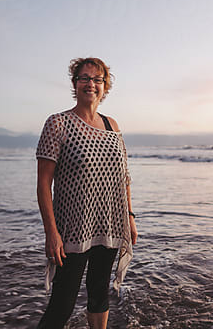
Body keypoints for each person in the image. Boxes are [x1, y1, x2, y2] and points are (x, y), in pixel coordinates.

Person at [36, 57, 137, 329]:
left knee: (99, 292)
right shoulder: (58, 123)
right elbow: (44, 183)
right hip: (73, 228)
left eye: (97, 79)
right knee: (62, 304)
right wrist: (51, 232)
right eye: (84, 78)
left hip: (110, 223)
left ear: (105, 87)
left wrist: (129, 215)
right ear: (74, 83)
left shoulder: (113, 126)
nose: (91, 83)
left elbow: (123, 176)